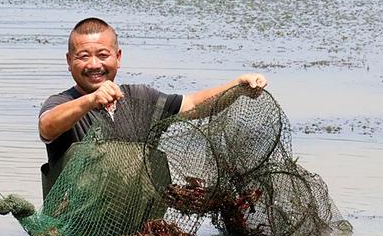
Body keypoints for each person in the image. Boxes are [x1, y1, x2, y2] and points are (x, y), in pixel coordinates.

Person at [38, 17, 267, 198]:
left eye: (103, 55)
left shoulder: (141, 98)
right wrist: (90, 100)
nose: (94, 64)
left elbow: (195, 105)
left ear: (118, 58)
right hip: (76, 226)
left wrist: (237, 86)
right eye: (83, 56)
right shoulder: (61, 103)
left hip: (136, 223)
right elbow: (47, 127)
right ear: (69, 61)